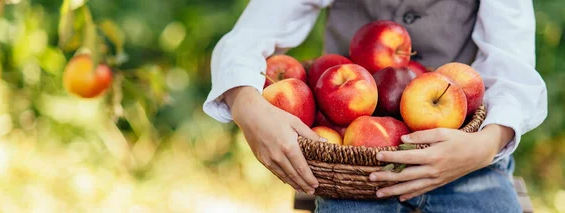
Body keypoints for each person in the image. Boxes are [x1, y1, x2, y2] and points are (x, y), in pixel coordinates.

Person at [203, 0, 547, 212]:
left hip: (461, 150)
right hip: (349, 163)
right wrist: (244, 102)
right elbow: (250, 33)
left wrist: (485, 145)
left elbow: (513, 67)